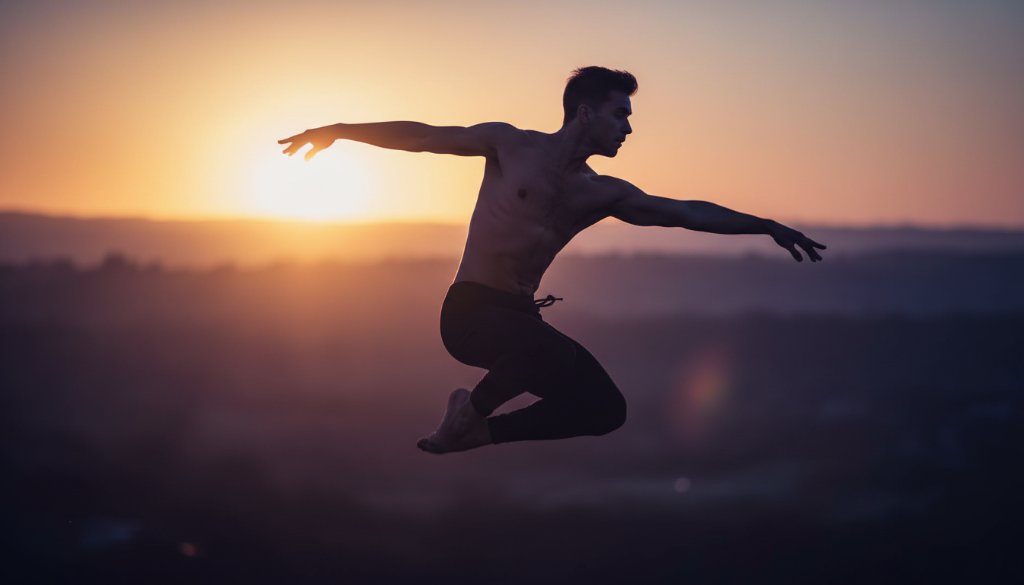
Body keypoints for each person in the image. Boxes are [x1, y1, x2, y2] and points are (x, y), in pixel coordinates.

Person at [278, 66, 826, 455]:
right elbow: (424, 137)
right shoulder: (509, 146)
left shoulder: (603, 192)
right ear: (585, 113)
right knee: (533, 348)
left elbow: (683, 212)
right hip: (469, 314)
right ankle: (469, 412)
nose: (628, 128)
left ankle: (479, 433)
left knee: (606, 410)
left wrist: (765, 225)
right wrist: (341, 131)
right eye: (620, 114)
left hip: (520, 321)